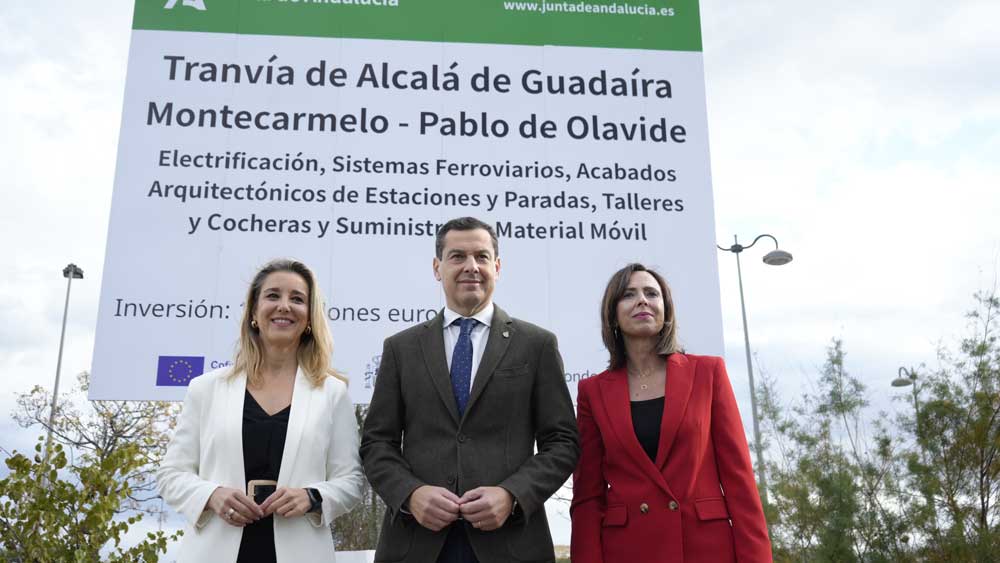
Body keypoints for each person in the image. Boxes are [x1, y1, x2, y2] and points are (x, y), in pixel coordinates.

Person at [361, 216, 580, 563]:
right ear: (437, 267)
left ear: (497, 265)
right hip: (417, 544)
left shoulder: (536, 345)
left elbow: (563, 442)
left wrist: (512, 495)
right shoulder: (400, 349)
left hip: (511, 542)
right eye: (457, 256)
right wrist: (411, 494)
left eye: (481, 256)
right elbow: (377, 443)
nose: (470, 267)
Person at [157, 259, 364, 563]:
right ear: (254, 312)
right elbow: (171, 474)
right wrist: (212, 495)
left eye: (297, 299)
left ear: (309, 317)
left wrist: (312, 496)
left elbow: (352, 481)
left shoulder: (332, 393)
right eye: (272, 296)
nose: (284, 306)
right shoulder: (205, 388)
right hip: (212, 551)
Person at [571, 263, 772, 562]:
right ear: (612, 314)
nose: (642, 300)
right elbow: (588, 496)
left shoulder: (708, 372)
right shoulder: (592, 391)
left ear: (666, 310)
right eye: (629, 294)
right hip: (628, 550)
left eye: (652, 293)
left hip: (706, 549)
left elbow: (739, 481)